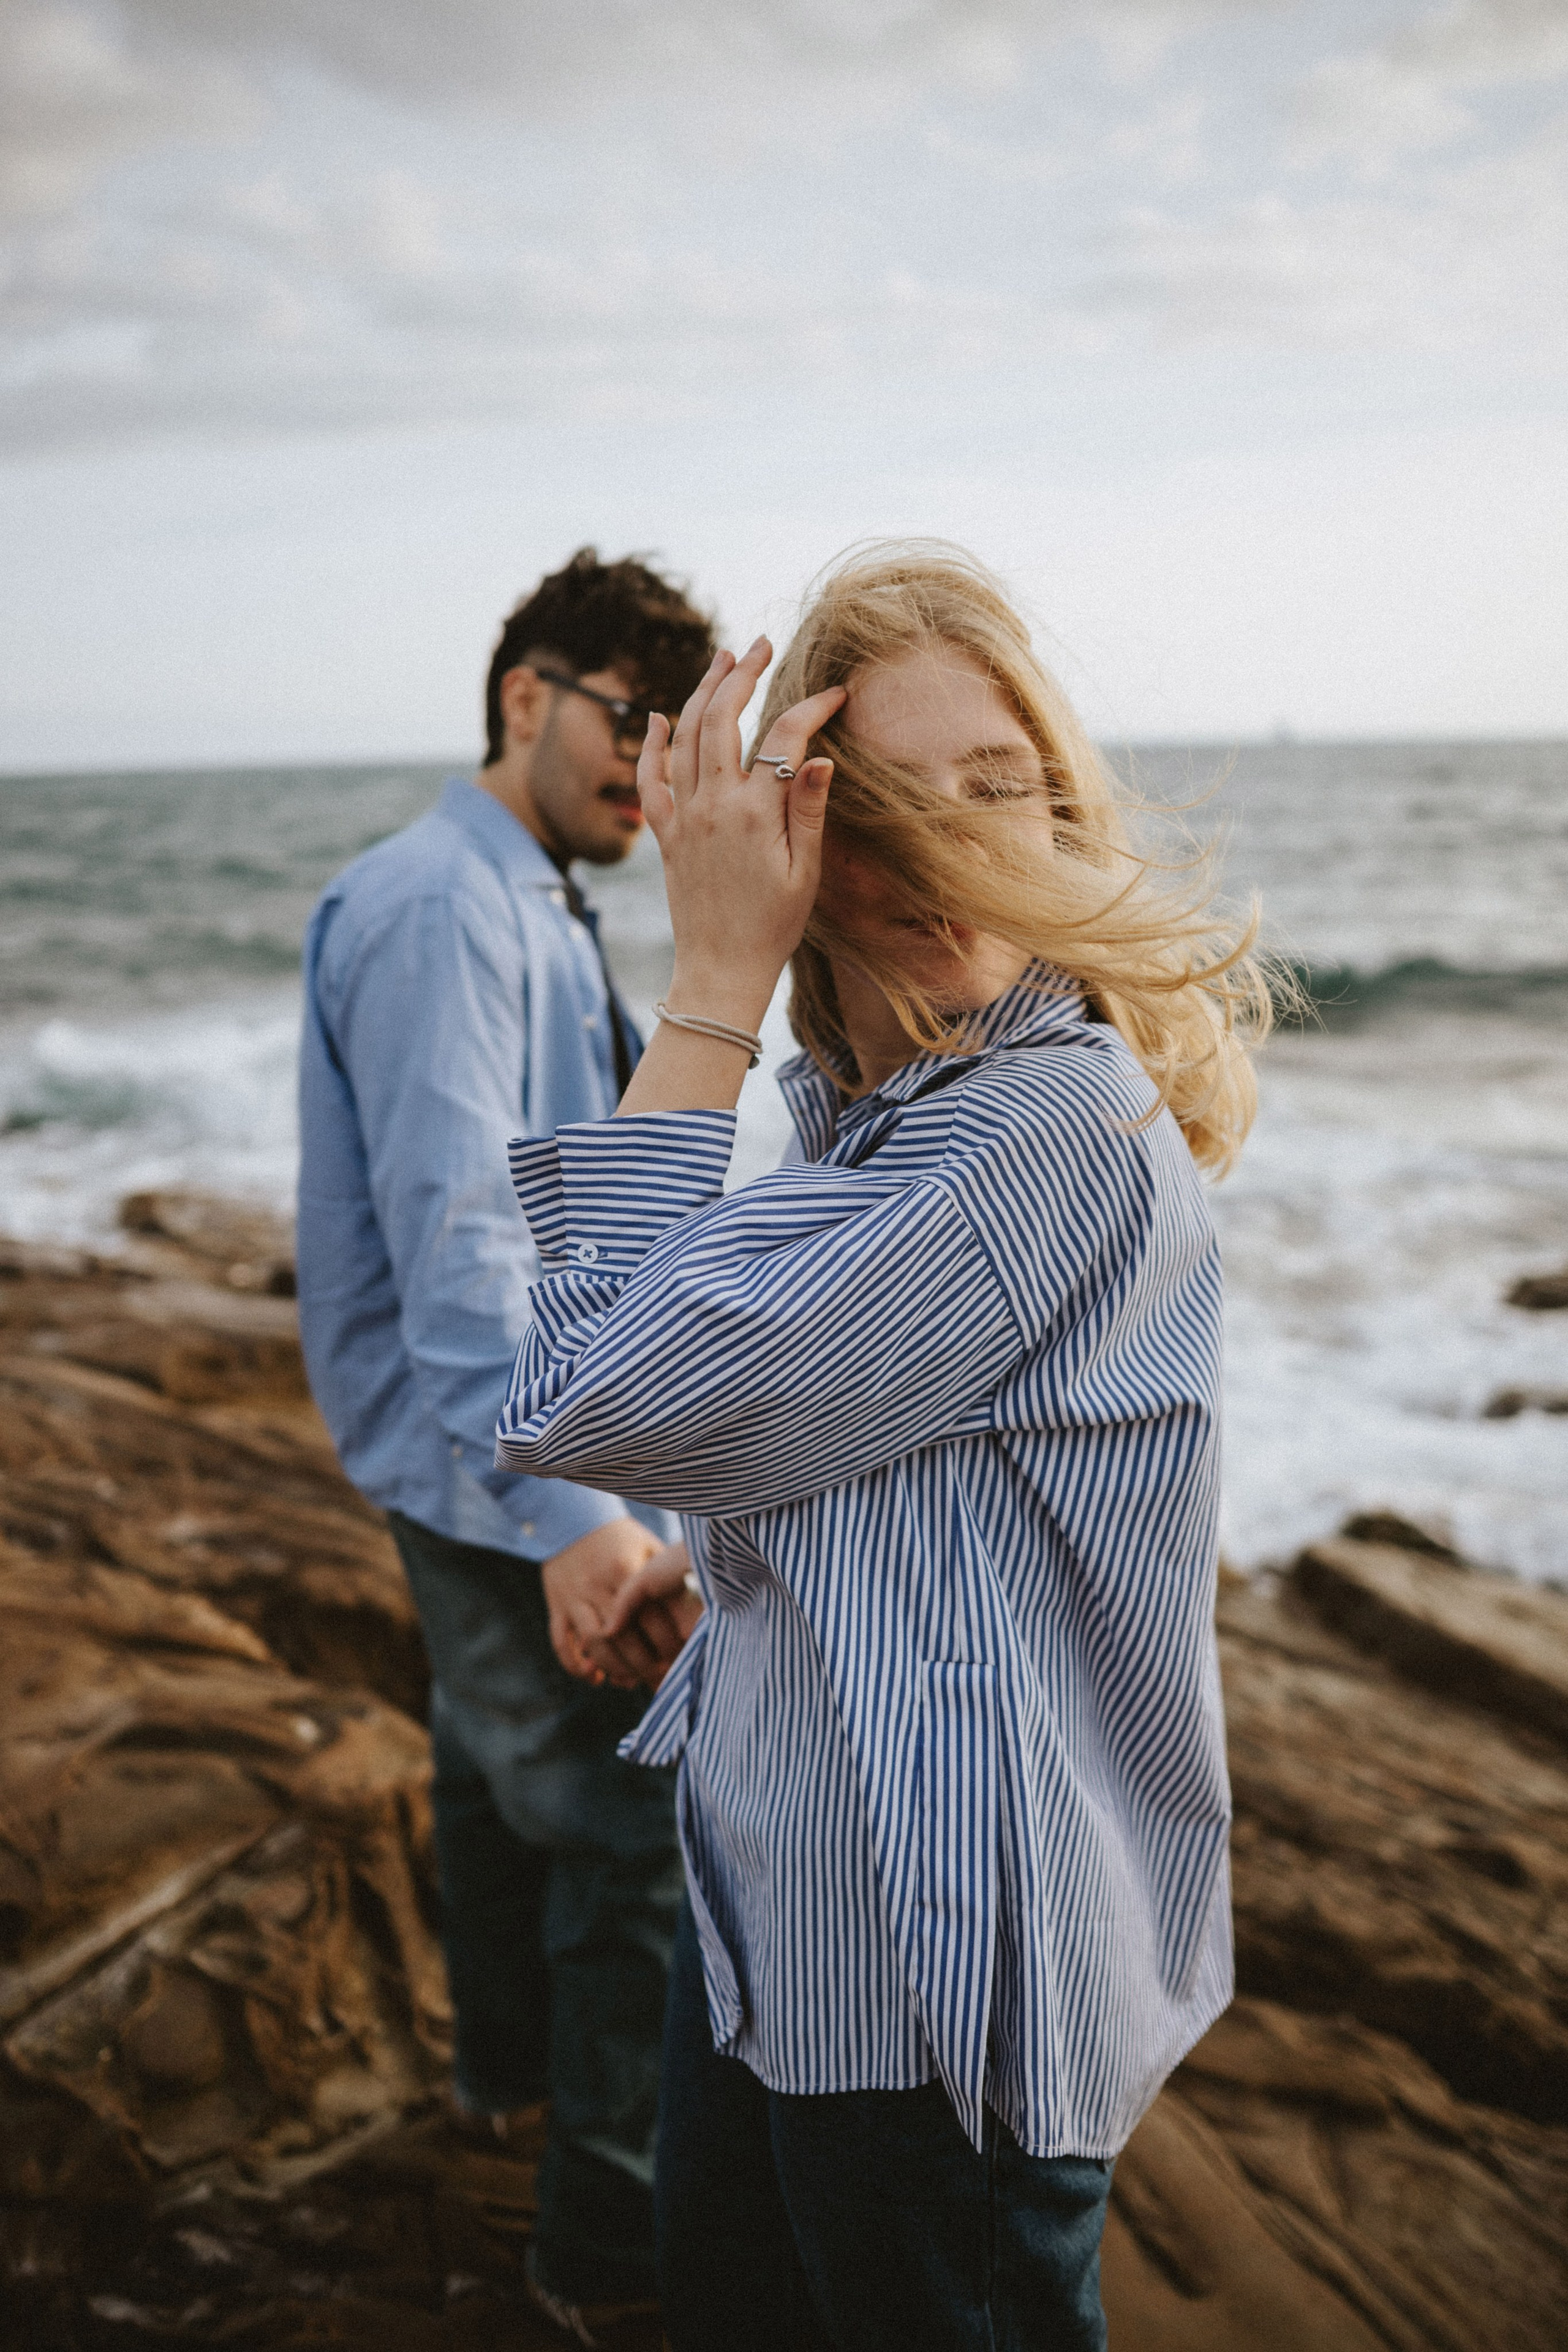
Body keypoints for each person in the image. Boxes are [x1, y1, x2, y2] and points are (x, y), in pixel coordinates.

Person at [492, 543, 1275, 2350]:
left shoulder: (1045, 1123)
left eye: (999, 790)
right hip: (778, 1901)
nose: (955, 852)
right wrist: (743, 1552)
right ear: (801, 841)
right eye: (886, 807)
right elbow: (921, 1447)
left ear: (1062, 806)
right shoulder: (871, 1120)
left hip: (932, 1974)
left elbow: (594, 1388)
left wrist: (708, 978)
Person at [295, 548, 715, 2334]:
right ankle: (599, 2258)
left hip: (477, 1442)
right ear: (523, 698)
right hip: (495, 1457)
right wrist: (578, 1523)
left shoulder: (521, 892)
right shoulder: (445, 910)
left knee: (486, 1769)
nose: (656, 761)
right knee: (630, 1836)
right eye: (633, 717)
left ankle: (499, 2082)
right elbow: (465, 1246)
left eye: (681, 732)